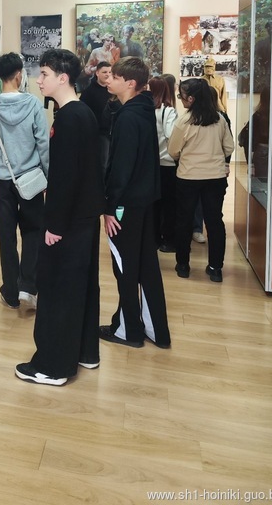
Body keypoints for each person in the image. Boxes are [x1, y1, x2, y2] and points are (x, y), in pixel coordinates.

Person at [15, 49, 104, 386]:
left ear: (63, 78)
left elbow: (66, 178)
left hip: (69, 221)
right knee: (81, 285)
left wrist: (54, 225)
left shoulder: (69, 118)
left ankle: (52, 366)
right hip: (83, 217)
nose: (38, 80)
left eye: (44, 74)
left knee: (57, 289)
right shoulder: (84, 112)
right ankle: (84, 351)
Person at [101, 57, 171, 350]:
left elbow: (122, 167)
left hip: (126, 204)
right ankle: (156, 330)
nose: (108, 79)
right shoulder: (142, 111)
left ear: (130, 83)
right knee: (145, 265)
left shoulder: (130, 117)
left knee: (125, 265)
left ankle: (128, 329)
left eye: (114, 77)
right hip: (143, 201)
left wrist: (109, 206)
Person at [0, 52, 49, 310]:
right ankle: (28, 288)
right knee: (33, 232)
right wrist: (48, 176)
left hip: (2, 182)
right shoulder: (33, 105)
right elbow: (43, 144)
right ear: (19, 75)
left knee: (6, 236)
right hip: (31, 180)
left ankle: (10, 291)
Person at [168, 78, 235, 283]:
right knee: (214, 221)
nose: (180, 99)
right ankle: (215, 268)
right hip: (215, 177)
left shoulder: (184, 121)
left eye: (181, 96)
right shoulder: (219, 119)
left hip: (188, 176)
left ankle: (183, 265)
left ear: (191, 99)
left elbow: (173, 150)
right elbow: (229, 147)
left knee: (184, 220)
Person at [148, 77, 178, 254]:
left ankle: (154, 238)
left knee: (154, 204)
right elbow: (170, 134)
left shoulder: (146, 109)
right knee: (169, 204)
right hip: (167, 162)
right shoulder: (168, 111)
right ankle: (168, 240)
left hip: (151, 164)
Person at [79, 61, 119, 172]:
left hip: (114, 131)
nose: (107, 75)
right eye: (104, 72)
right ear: (97, 73)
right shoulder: (88, 92)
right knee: (103, 163)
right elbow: (83, 113)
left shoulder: (113, 91)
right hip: (99, 133)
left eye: (110, 72)